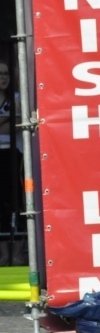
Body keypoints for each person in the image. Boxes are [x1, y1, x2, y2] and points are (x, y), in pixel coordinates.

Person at [0, 61, 23, 266]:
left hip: (14, 154)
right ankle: (2, 252)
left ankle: (16, 253)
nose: (3, 78)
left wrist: (8, 122)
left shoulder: (16, 99)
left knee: (17, 202)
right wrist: (7, 121)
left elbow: (17, 124)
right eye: (0, 74)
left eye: (6, 74)